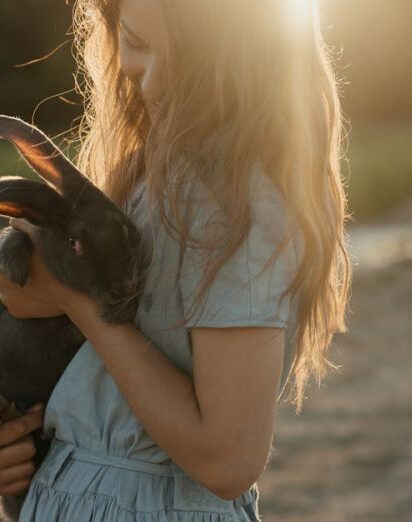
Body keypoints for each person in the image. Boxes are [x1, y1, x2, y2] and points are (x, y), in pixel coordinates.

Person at [0, 0, 352, 520]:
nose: (155, 83)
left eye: (186, 60)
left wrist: (75, 301)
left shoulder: (237, 202)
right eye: (138, 43)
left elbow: (228, 459)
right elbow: (100, 392)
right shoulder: (151, 174)